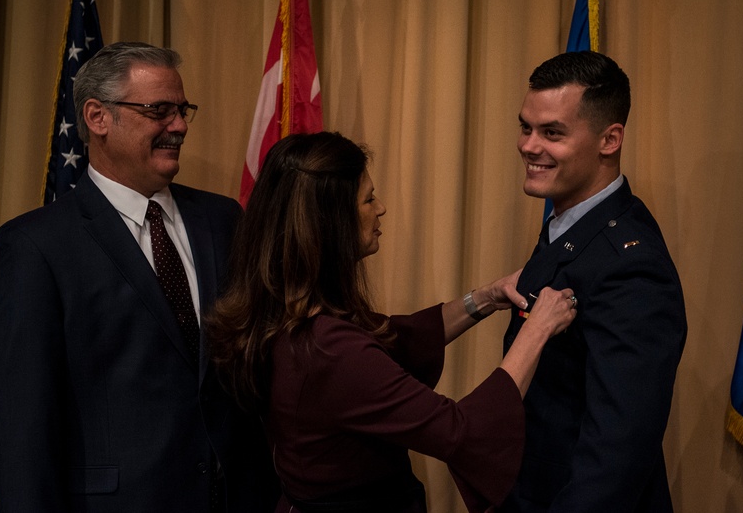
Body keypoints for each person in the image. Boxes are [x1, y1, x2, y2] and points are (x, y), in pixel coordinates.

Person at [207, 131, 577, 513]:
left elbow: (398, 338)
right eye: (368, 199)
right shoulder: (330, 349)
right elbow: (462, 432)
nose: (380, 208)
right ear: (330, 223)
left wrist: (483, 299)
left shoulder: (285, 309)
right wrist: (537, 331)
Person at [0, 42, 278, 512]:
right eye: (159, 110)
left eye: (182, 110)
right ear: (98, 117)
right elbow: (18, 428)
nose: (179, 126)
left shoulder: (223, 221)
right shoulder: (36, 248)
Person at [499, 51, 687, 512]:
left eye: (552, 133)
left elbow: (615, 455)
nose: (529, 145)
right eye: (527, 127)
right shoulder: (572, 223)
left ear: (610, 139)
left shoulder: (631, 264)